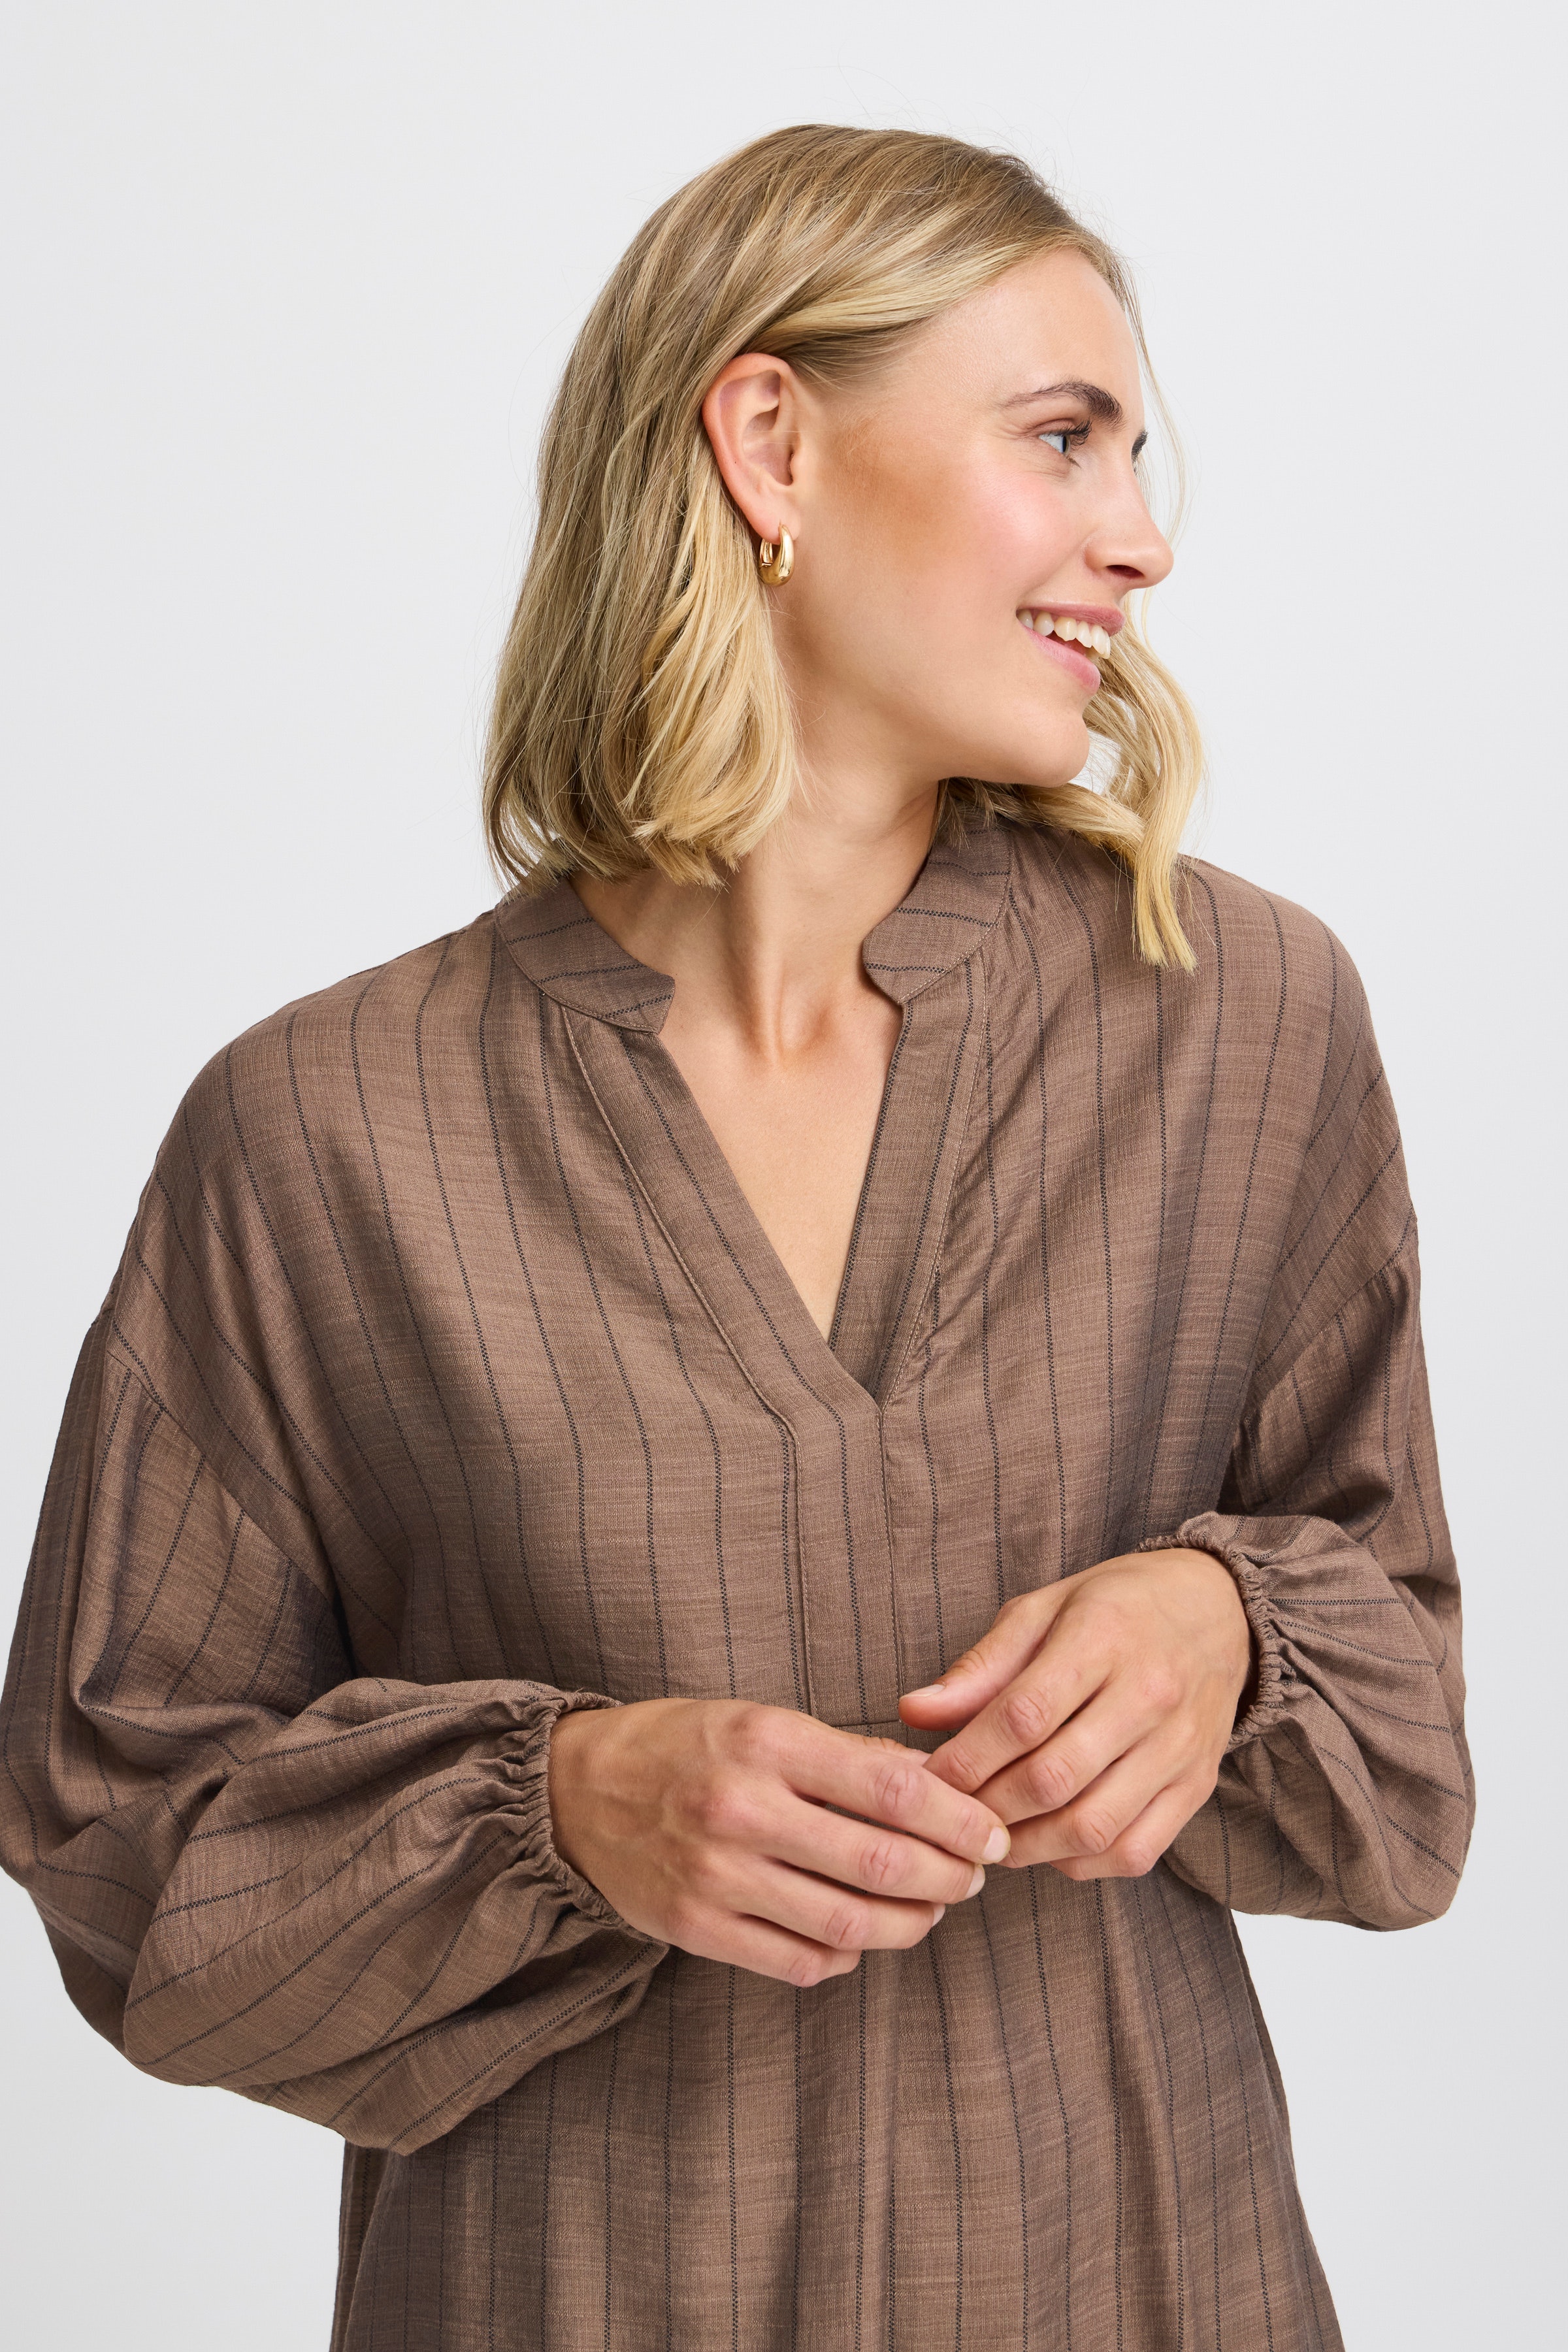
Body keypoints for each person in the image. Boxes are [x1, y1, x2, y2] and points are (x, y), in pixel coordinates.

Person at [0, 123, 1471, 2350]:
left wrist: (1228, 1632)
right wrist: (563, 1805)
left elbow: (1415, 1751)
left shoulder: (1241, 1023)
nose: (1142, 538)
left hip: (1147, 2286)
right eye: (1059, 438)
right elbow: (123, 1855)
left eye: (1135, 455)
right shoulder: (321, 1134)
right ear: (770, 442)